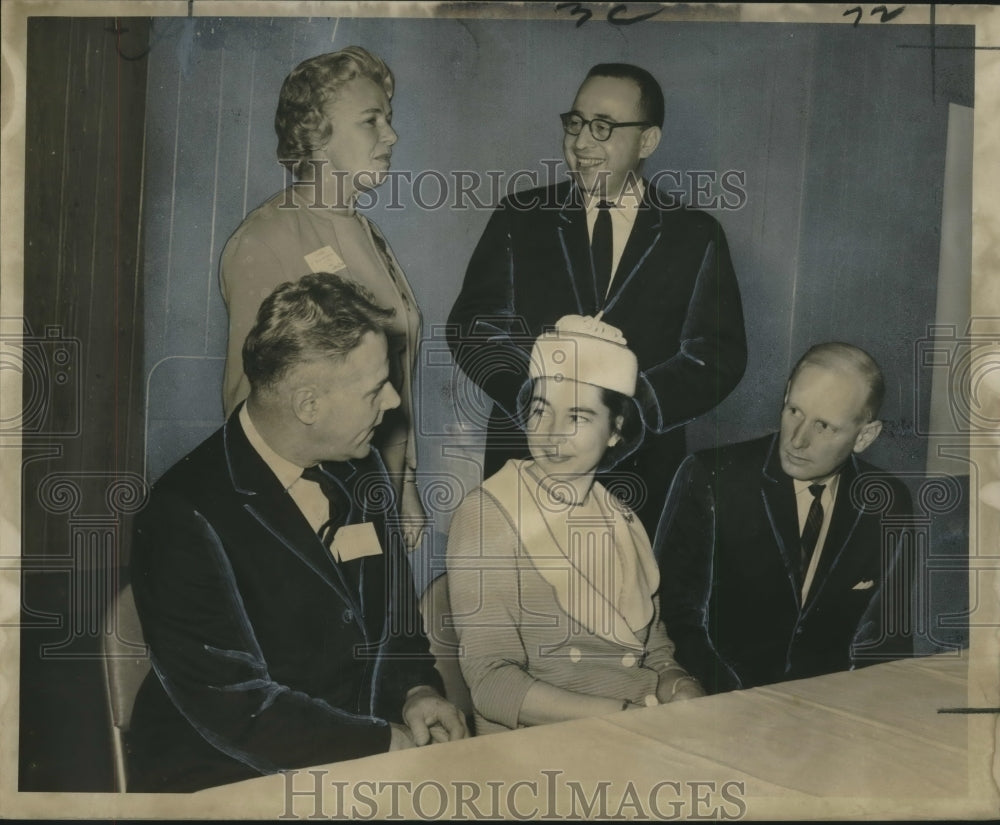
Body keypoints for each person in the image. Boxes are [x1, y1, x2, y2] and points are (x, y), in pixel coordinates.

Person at [128, 273, 466, 792]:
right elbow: (237, 708)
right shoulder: (181, 513)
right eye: (376, 388)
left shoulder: (363, 467)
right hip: (228, 777)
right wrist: (381, 744)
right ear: (309, 405)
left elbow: (398, 624)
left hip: (362, 762)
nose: (395, 401)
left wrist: (417, 690)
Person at [446, 62, 747, 537]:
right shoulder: (519, 217)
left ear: (647, 141)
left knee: (623, 607)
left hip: (640, 478)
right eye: (575, 123)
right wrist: (534, 402)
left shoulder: (697, 235)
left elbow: (718, 354)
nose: (581, 143)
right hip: (524, 471)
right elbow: (473, 326)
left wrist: (631, 412)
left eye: (603, 127)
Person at [446, 315, 704, 736]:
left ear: (616, 429)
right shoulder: (489, 513)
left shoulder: (622, 517)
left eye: (578, 418)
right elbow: (492, 684)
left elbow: (653, 650)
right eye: (541, 411)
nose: (551, 435)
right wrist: (624, 717)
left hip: (633, 727)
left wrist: (680, 683)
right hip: (541, 751)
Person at [219, 46, 426, 543]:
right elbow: (247, 402)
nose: (391, 135)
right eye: (371, 121)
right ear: (317, 139)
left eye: (389, 119)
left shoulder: (368, 233)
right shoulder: (266, 239)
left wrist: (405, 484)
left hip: (375, 488)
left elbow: (397, 375)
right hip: (316, 505)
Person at [655, 342, 914, 695]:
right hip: (721, 700)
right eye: (794, 411)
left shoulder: (887, 501)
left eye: (824, 426)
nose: (797, 440)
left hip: (832, 714)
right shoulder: (712, 477)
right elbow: (673, 618)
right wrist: (735, 702)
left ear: (865, 436)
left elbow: (887, 637)